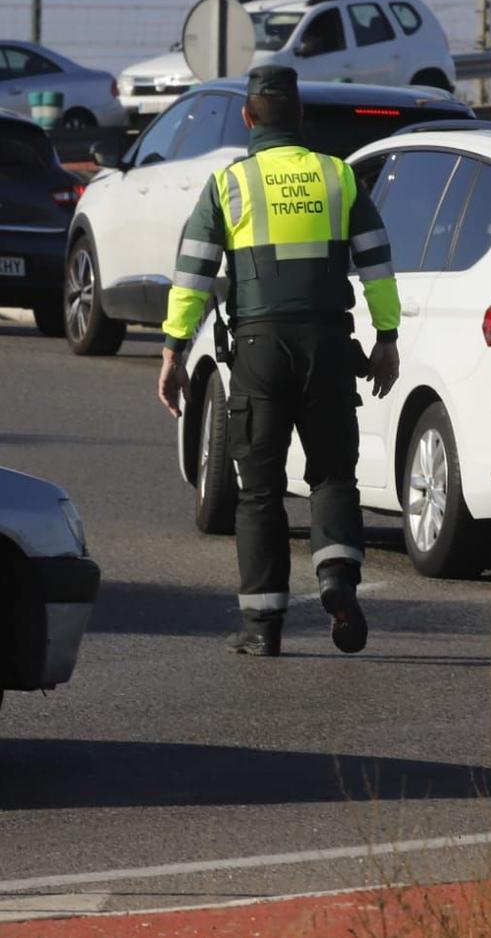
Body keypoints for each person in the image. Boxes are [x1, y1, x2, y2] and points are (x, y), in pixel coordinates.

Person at [157, 65, 402, 658]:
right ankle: (338, 582)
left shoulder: (229, 184)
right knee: (333, 475)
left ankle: (261, 628)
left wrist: (172, 350)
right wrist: (387, 338)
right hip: (328, 346)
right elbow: (377, 264)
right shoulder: (339, 177)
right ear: (300, 118)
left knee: (260, 490)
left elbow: (192, 273)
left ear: (248, 119)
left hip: (260, 352)